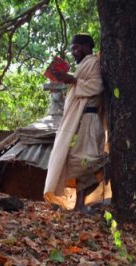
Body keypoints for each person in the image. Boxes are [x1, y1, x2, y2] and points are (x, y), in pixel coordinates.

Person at [43, 34, 106, 212]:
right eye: (72, 49)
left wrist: (73, 80)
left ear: (87, 47)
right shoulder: (81, 67)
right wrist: (70, 79)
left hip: (90, 120)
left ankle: (82, 203)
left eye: (77, 48)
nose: (74, 52)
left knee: (89, 161)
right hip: (77, 122)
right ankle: (78, 204)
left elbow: (98, 86)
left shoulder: (94, 62)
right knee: (75, 160)